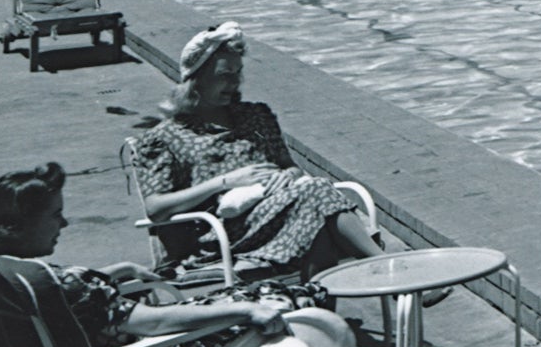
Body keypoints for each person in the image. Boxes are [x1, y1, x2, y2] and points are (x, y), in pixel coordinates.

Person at [0, 162, 324, 347]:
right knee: (291, 301)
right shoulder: (66, 284)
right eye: (55, 215)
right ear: (19, 225)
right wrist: (246, 311)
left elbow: (67, 298)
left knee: (254, 294)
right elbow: (157, 322)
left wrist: (115, 272)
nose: (65, 224)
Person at [124, 23, 389, 278]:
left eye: (237, 74)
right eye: (224, 75)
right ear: (196, 80)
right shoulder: (166, 137)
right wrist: (224, 182)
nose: (234, 83)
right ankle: (387, 268)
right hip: (222, 233)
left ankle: (318, 309)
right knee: (317, 193)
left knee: (313, 212)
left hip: (287, 211)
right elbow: (155, 209)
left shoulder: (256, 117)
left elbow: (290, 165)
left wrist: (290, 175)